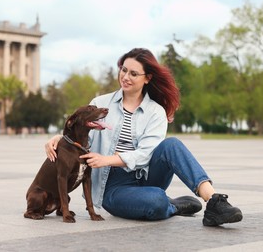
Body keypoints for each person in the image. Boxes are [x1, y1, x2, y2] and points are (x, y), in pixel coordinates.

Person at [45, 48, 242, 226]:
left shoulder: (155, 112)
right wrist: (60, 138)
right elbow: (82, 129)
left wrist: (107, 159)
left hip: (146, 176)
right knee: (156, 200)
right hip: (112, 187)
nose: (125, 77)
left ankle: (215, 202)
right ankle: (172, 206)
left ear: (147, 78)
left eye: (133, 73)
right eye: (123, 70)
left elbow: (147, 154)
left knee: (172, 144)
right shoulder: (100, 102)